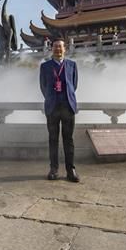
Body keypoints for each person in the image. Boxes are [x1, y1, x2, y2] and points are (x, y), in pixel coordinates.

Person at [39, 38, 80, 182]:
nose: (58, 49)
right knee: (53, 140)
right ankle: (54, 169)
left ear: (65, 49)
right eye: (55, 47)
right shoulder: (45, 67)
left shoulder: (72, 65)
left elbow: (73, 85)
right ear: (52, 49)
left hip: (68, 106)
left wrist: (66, 97)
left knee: (68, 140)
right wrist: (51, 98)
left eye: (60, 47)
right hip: (52, 107)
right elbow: (43, 86)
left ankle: (71, 170)